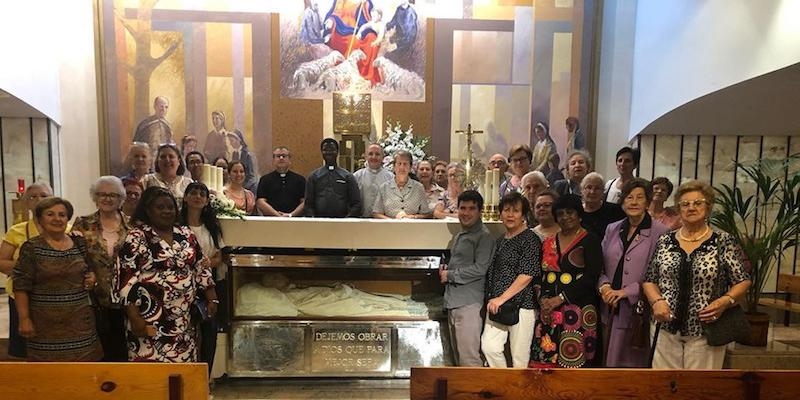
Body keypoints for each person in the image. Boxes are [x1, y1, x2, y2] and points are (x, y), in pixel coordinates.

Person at [643, 180, 751, 370]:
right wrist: (656, 301)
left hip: (706, 329)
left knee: (700, 390)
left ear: (708, 207)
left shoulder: (723, 241)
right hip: (665, 328)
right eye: (685, 204)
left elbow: (742, 279)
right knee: (665, 388)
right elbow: (650, 279)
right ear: (678, 209)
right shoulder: (665, 240)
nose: (691, 207)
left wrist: (724, 301)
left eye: (698, 203)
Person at [114, 186, 218, 362]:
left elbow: (201, 266)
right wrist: (134, 316)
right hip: (148, 320)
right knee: (151, 377)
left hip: (183, 320)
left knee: (181, 375)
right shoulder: (137, 237)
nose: (166, 211)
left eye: (170, 207)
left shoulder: (185, 234)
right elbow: (125, 278)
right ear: (148, 210)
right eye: (160, 207)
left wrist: (211, 297)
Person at [14, 197, 103, 361]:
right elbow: (20, 285)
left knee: (84, 374)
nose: (57, 219)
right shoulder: (31, 248)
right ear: (40, 218)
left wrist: (92, 278)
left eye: (62, 215)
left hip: (81, 324)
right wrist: (24, 319)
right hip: (44, 326)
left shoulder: (79, 242)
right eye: (50, 214)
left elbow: (90, 269)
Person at [598, 178, 669, 367]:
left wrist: (626, 292)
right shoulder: (612, 228)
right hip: (609, 308)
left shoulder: (661, 232)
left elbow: (661, 273)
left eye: (640, 197)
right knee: (608, 362)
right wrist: (604, 286)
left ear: (648, 201)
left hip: (639, 311)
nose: (634, 202)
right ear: (622, 202)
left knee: (632, 366)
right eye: (629, 197)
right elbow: (600, 265)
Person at [531, 194, 603, 368]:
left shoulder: (590, 240)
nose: (565, 217)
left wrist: (560, 299)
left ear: (579, 214)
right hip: (549, 311)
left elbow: (591, 277)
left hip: (578, 310)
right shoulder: (548, 242)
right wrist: (543, 301)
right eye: (561, 213)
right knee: (546, 363)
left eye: (570, 212)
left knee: (574, 362)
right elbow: (540, 274)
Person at [72, 176, 131, 361]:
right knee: (100, 352)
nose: (107, 199)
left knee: (125, 350)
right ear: (95, 197)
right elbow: (73, 258)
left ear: (121, 198)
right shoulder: (82, 224)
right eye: (102, 194)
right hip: (95, 299)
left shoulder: (133, 225)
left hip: (127, 299)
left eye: (113, 195)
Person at [482, 192, 542, 368]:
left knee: (519, 358)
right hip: (497, 304)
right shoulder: (501, 239)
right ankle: (504, 387)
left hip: (522, 305)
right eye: (506, 210)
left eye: (515, 211)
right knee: (489, 348)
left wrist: (502, 298)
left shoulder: (530, 239)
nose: (510, 214)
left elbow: (527, 274)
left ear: (523, 215)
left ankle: (517, 393)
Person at [438, 190, 494, 366]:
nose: (466, 213)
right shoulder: (461, 234)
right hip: (454, 302)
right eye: (463, 208)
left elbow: (480, 269)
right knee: (457, 359)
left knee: (469, 359)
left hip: (469, 305)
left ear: (480, 211)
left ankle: (473, 394)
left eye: (471, 208)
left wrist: (450, 275)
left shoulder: (484, 236)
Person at [0, 182, 53, 358]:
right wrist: (28, 265)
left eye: (44, 196)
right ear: (26, 203)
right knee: (23, 350)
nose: (39, 200)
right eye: (33, 197)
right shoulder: (16, 231)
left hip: (56, 299)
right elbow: (1, 263)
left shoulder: (67, 229)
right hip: (22, 298)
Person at [180, 182, 226, 373]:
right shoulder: (176, 226)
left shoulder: (211, 227)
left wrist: (207, 263)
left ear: (207, 201)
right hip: (182, 285)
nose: (197, 196)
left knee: (209, 333)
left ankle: (205, 377)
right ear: (185, 197)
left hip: (208, 286)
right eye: (193, 193)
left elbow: (220, 255)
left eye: (202, 194)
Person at [305, 138, 361, 218]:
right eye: (325, 150)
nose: (329, 152)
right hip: (319, 223)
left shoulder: (347, 176)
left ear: (337, 152)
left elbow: (356, 203)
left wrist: (347, 220)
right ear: (321, 152)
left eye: (332, 149)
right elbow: (308, 204)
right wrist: (314, 221)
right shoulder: (314, 176)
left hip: (342, 223)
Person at [373, 150, 430, 219]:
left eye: (405, 164)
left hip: (412, 227)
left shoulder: (419, 187)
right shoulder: (384, 188)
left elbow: (426, 214)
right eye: (399, 163)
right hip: (389, 228)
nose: (402, 167)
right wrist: (392, 221)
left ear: (410, 167)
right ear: (394, 167)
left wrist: (413, 217)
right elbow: (376, 213)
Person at [256, 147, 306, 217]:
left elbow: (305, 202)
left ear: (289, 160)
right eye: (278, 156)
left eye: (284, 156)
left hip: (294, 221)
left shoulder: (300, 180)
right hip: (271, 222)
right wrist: (278, 216)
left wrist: (291, 215)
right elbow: (260, 202)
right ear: (273, 160)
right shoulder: (265, 180)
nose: (281, 158)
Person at [580, 172, 626, 240]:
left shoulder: (615, 211)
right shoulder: (577, 212)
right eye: (589, 187)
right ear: (582, 190)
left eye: (597, 188)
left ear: (603, 191)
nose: (592, 191)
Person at [353, 143, 394, 217]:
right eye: (370, 154)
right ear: (366, 156)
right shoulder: (356, 176)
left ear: (383, 157)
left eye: (377, 154)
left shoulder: (390, 177)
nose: (374, 157)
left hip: (384, 222)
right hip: (362, 221)